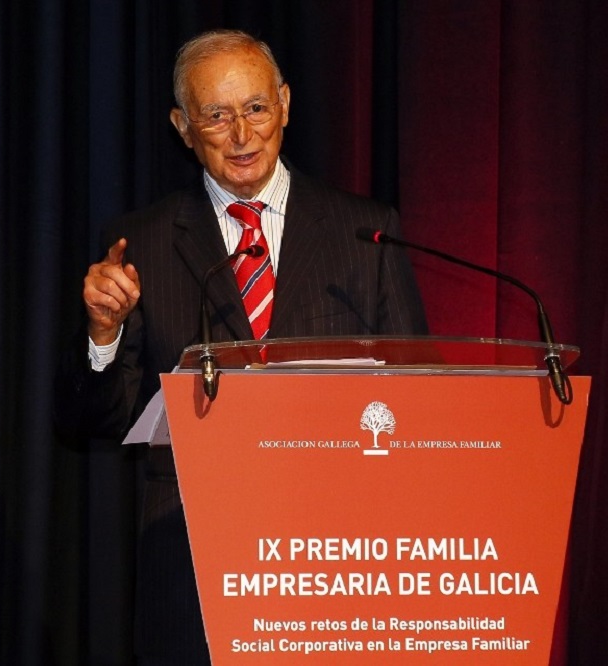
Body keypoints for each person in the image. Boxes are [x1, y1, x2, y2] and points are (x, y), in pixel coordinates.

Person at [56, 29, 427, 664]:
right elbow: (96, 420)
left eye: (256, 108)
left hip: (335, 565)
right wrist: (102, 333)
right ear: (183, 126)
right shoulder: (141, 242)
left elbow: (416, 399)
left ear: (284, 103)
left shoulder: (366, 232)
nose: (241, 135)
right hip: (194, 568)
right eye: (216, 115)